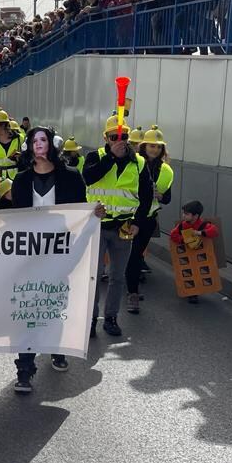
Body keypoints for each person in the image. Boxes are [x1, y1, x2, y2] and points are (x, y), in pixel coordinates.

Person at [10, 126, 100, 392]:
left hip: (62, 254)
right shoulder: (22, 180)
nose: (39, 144)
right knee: (29, 309)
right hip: (31, 257)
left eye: (43, 139)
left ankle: (57, 349)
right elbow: (16, 219)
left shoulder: (71, 177)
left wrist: (94, 214)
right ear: (28, 147)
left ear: (52, 144)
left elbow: (80, 211)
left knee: (55, 303)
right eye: (34, 140)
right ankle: (25, 369)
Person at [82, 116, 154, 338]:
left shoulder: (139, 163)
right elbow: (89, 178)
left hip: (123, 227)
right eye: (114, 137)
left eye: (123, 137)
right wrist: (112, 157)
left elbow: (146, 196)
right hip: (97, 226)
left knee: (117, 276)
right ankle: (90, 319)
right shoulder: (96, 157)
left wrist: (138, 224)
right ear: (106, 138)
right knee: (93, 275)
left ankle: (111, 318)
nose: (119, 141)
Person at [124, 126, 173, 314]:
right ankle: (131, 290)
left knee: (135, 255)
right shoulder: (133, 163)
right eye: (152, 146)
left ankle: (132, 292)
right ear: (144, 146)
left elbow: (168, 198)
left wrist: (159, 195)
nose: (155, 150)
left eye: (158, 147)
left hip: (148, 219)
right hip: (129, 217)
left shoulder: (166, 170)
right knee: (129, 256)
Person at [169, 200, 220, 304]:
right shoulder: (182, 226)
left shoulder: (203, 224)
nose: (183, 216)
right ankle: (190, 292)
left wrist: (200, 233)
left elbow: (214, 231)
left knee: (199, 273)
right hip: (187, 255)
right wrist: (184, 240)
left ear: (196, 216)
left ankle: (194, 292)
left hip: (201, 255)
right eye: (184, 213)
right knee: (187, 273)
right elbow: (173, 235)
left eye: (186, 214)